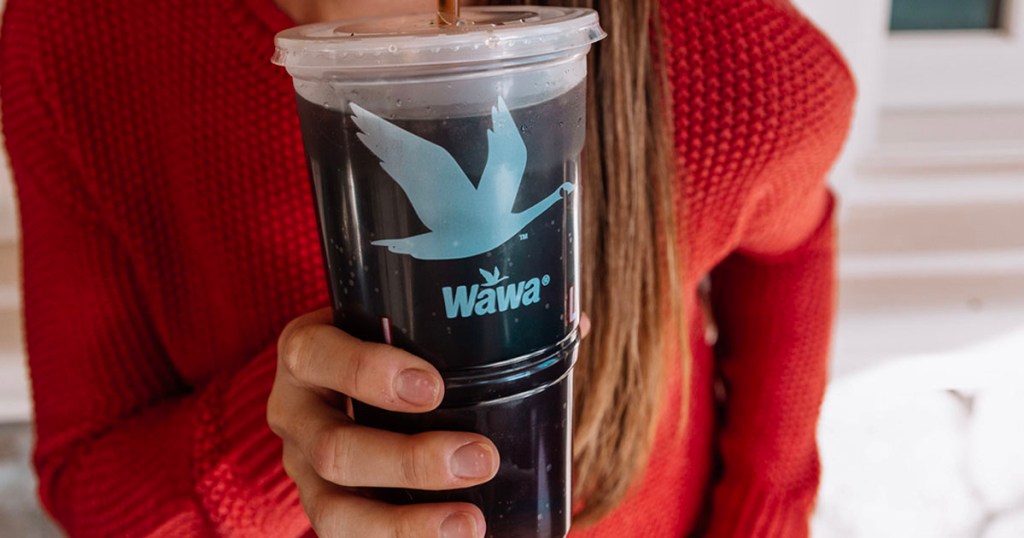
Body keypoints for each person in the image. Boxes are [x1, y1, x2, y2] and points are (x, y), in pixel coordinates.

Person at [0, 0, 854, 535]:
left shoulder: (723, 59)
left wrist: (764, 517)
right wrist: (300, 429)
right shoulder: (80, 32)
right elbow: (88, 484)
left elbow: (793, 244)